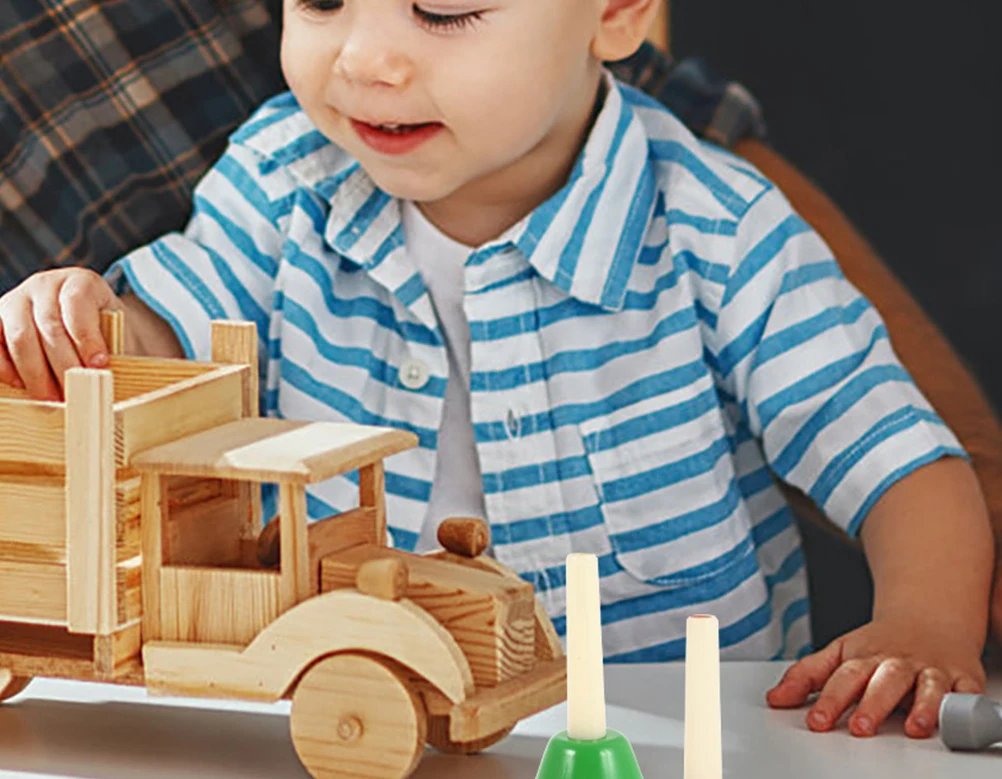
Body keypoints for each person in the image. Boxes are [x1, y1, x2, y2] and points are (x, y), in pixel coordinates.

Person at [0, 0, 993, 739]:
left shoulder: (720, 229)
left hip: (683, 750)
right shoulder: (281, 174)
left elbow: (904, 465)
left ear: (614, 14)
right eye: (320, 2)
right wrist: (81, 319)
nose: (366, 59)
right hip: (355, 714)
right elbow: (165, 334)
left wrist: (924, 624)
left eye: (444, 9)